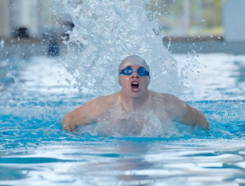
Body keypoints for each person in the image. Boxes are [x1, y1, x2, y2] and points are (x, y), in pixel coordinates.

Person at [62, 55, 209, 135]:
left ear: (148, 79)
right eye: (127, 72)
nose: (134, 76)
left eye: (141, 72)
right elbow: (68, 121)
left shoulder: (168, 104)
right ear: (120, 79)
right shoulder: (103, 106)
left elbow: (200, 120)